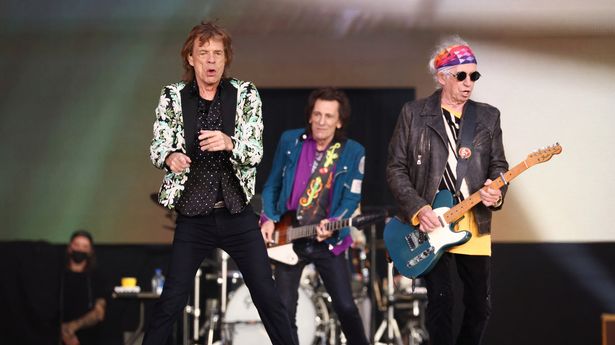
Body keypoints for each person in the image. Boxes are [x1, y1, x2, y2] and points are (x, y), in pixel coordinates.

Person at [145, 21, 296, 345]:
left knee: (267, 298)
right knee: (171, 300)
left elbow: (255, 151)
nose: (211, 60)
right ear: (190, 58)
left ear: (226, 59)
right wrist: (170, 156)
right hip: (193, 215)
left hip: (236, 212)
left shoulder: (244, 94)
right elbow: (157, 146)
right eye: (203, 53)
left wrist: (230, 143)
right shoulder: (173, 96)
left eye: (217, 54)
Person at [386, 36, 509, 345]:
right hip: (431, 222)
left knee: (480, 306)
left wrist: (497, 192)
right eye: (461, 75)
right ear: (441, 77)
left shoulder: (488, 117)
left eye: (474, 75)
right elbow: (395, 168)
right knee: (442, 301)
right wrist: (418, 207)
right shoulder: (414, 114)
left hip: (472, 219)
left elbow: (498, 166)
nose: (469, 83)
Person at [261, 87, 370, 345]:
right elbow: (272, 184)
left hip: (327, 240)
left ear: (339, 120)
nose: (322, 121)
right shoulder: (290, 141)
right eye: (317, 114)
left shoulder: (353, 151)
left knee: (345, 307)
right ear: (310, 116)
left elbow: (352, 198)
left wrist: (334, 222)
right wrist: (267, 217)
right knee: (284, 311)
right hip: (289, 235)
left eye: (329, 116)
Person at [60, 230, 107, 345]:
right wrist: (64, 332)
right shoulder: (57, 274)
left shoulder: (97, 277)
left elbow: (99, 313)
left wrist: (72, 327)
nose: (80, 250)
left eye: (85, 246)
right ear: (70, 247)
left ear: (90, 251)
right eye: (77, 245)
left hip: (87, 336)